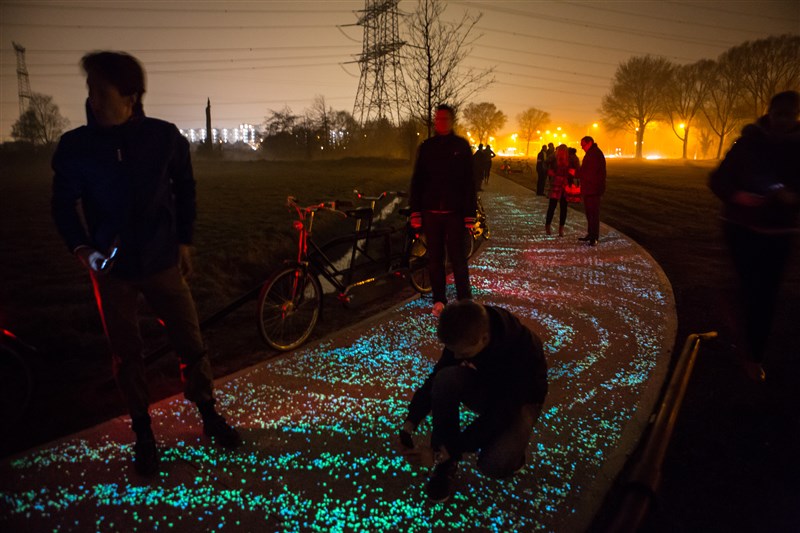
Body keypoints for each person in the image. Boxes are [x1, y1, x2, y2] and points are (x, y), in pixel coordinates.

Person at [51, 51, 241, 476]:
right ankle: (143, 431)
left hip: (161, 260)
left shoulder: (164, 138)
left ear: (131, 96)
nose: (93, 100)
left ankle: (208, 413)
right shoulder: (76, 147)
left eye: (102, 91)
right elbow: (63, 205)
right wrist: (83, 249)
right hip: (112, 270)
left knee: (190, 341)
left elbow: (185, 187)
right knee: (126, 353)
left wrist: (185, 242)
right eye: (91, 91)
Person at [397, 300, 548, 503]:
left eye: (464, 354)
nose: (458, 357)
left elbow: (499, 413)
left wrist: (440, 453)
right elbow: (436, 377)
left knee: (494, 464)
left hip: (521, 402)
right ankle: (446, 466)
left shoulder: (522, 351)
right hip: (488, 387)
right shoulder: (465, 330)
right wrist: (409, 423)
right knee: (445, 378)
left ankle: (514, 455)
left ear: (484, 338)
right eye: (453, 351)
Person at [708, 90, 800, 382]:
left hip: (780, 232)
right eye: (778, 114)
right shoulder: (748, 143)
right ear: (769, 113)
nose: (783, 121)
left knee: (766, 296)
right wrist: (739, 196)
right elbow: (719, 179)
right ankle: (746, 339)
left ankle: (754, 355)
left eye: (789, 115)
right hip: (741, 229)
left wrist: (793, 198)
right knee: (749, 290)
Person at [410, 104, 477, 317]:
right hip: (431, 212)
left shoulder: (461, 146)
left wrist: (469, 214)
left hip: (455, 213)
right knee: (434, 260)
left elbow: (469, 181)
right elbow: (418, 180)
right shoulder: (427, 147)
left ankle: (465, 301)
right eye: (438, 119)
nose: (441, 122)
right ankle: (439, 300)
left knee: (458, 259)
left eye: (445, 119)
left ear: (452, 120)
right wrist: (415, 211)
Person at [576, 136, 606, 246]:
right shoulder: (592, 153)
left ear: (590, 143)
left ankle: (594, 236)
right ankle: (591, 234)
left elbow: (589, 172)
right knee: (590, 213)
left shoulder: (594, 154)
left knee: (593, 213)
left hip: (593, 189)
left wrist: (576, 173)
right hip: (590, 189)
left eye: (583, 145)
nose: (582, 147)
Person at [544, 145, 577, 237]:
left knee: (563, 207)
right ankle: (548, 226)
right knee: (552, 206)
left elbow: (576, 167)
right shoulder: (554, 157)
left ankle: (561, 228)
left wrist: (572, 172)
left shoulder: (570, 158)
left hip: (565, 184)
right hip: (556, 183)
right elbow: (545, 163)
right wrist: (549, 171)